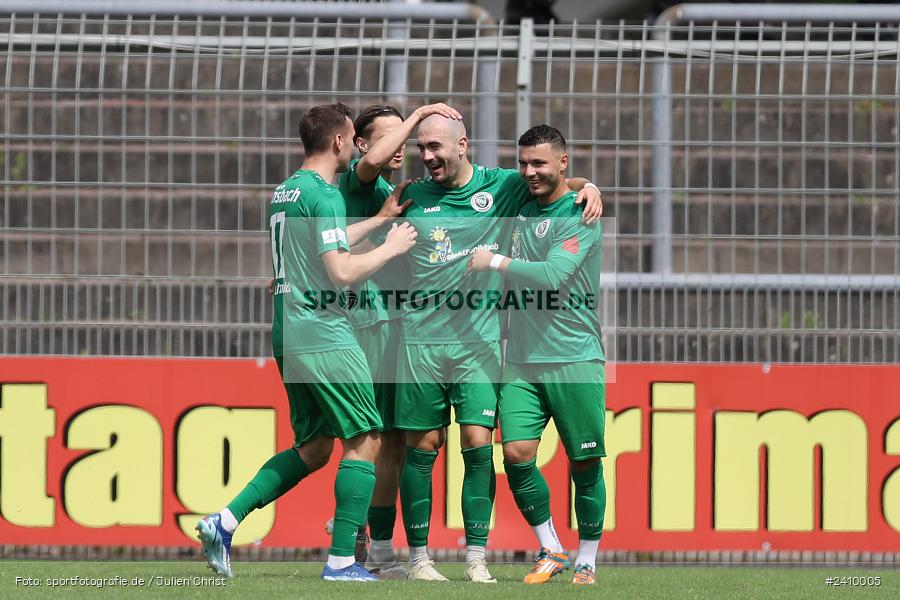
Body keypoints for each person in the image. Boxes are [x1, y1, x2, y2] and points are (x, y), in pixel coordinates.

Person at [196, 102, 417, 582]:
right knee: (365, 440)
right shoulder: (327, 193)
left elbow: (326, 239)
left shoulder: (287, 190)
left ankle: (224, 520)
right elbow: (340, 270)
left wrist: (378, 220)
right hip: (324, 328)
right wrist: (391, 246)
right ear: (341, 142)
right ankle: (341, 562)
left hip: (288, 329)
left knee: (316, 447)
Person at [395, 114, 603, 582]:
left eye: (435, 147)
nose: (529, 171)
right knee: (505, 454)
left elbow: (554, 249)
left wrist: (589, 187)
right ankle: (425, 557)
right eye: (523, 163)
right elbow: (373, 205)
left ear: (463, 144)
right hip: (465, 348)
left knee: (563, 456)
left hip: (542, 352)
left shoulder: (527, 196)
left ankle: (569, 558)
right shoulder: (420, 195)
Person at [467, 124, 606, 586]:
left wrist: (496, 261)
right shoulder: (522, 202)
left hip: (574, 356)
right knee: (517, 453)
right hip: (523, 358)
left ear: (562, 163)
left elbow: (551, 276)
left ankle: (588, 557)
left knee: (584, 462)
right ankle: (551, 547)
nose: (529, 172)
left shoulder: (581, 215)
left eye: (539, 163)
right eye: (523, 163)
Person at [334, 101, 462, 578]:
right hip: (367, 324)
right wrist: (419, 114)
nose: (403, 146)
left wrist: (587, 185)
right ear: (362, 143)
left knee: (388, 440)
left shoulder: (395, 190)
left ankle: (368, 537)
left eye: (407, 137)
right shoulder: (360, 179)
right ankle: (357, 536)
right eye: (394, 136)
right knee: (370, 440)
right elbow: (347, 243)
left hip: (393, 324)